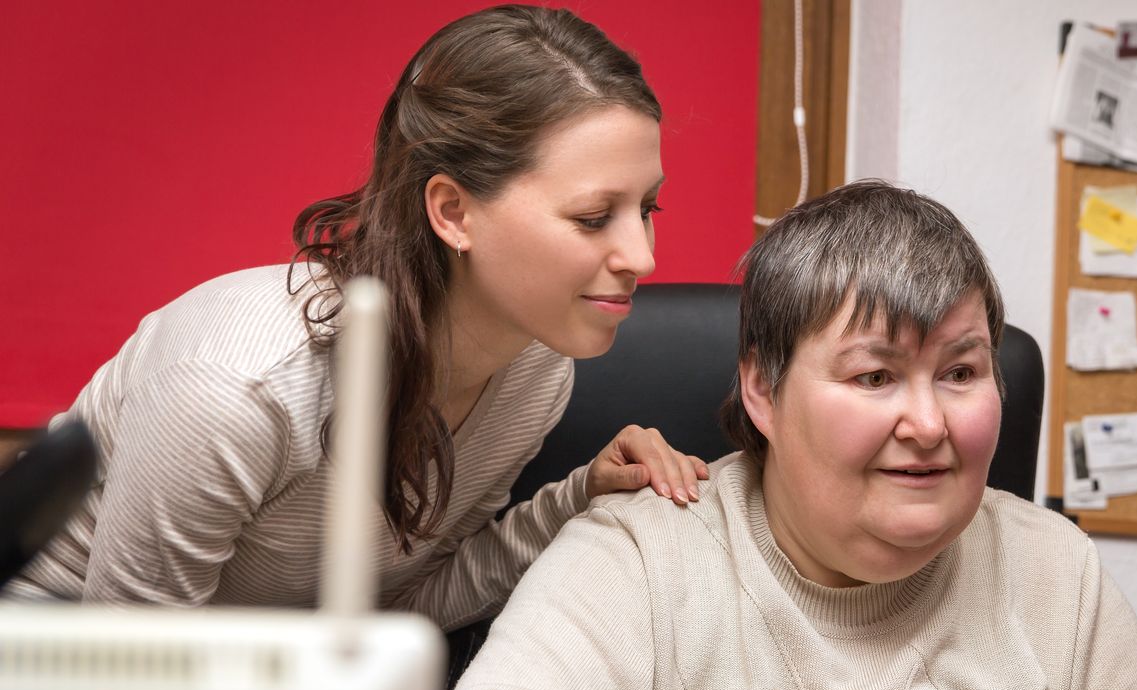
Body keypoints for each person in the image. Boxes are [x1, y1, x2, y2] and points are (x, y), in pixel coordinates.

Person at [417, 181, 1137, 690]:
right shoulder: (642, 554)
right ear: (763, 389)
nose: (928, 425)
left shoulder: (1051, 563)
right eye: (874, 378)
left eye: (960, 373)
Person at [10, 5, 707, 629]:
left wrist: (579, 498)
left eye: (647, 210)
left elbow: (384, 616)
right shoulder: (235, 390)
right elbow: (128, 679)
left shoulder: (536, 366)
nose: (641, 256)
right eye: (593, 217)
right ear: (453, 211)